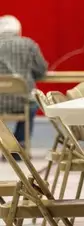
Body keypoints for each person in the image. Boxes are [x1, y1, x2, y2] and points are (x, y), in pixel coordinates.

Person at [0, 15, 48, 153]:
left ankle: (7, 143)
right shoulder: (28, 44)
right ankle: (19, 146)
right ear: (18, 30)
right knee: (32, 104)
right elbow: (41, 70)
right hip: (22, 101)